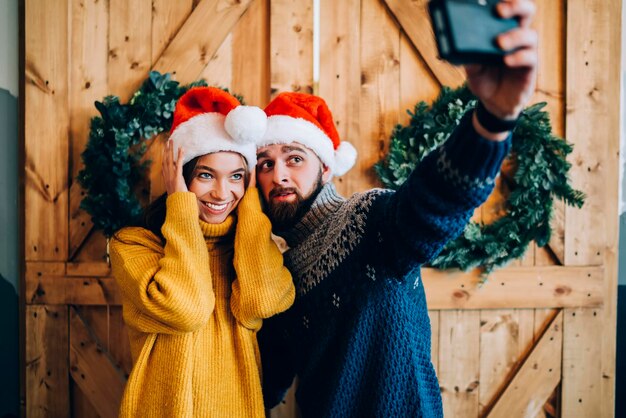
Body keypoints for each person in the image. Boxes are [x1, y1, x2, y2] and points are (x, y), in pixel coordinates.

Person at [254, 1, 538, 416]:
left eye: (294, 158)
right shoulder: (277, 276)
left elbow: (434, 201)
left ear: (326, 166)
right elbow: (261, 382)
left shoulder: (368, 219)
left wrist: (492, 122)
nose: (278, 174)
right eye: (265, 164)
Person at [110, 87, 295, 418]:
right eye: (206, 175)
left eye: (236, 176)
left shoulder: (253, 249)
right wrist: (179, 207)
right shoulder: (135, 245)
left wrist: (251, 206)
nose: (222, 192)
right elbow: (187, 310)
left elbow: (262, 301)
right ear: (180, 177)